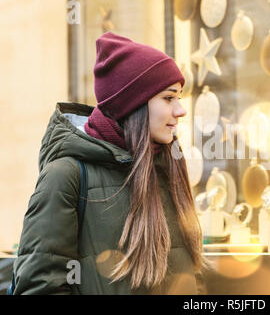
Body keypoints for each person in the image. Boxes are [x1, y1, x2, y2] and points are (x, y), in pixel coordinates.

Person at [12, 32, 208, 294]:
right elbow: (39, 286)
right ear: (133, 105)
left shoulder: (165, 166)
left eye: (179, 97)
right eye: (168, 97)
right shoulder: (66, 175)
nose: (181, 110)